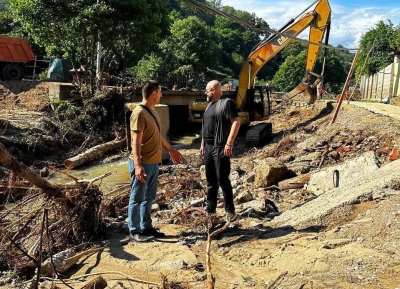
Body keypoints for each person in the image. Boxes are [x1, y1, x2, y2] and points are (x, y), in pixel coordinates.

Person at [127, 80, 182, 243]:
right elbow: (135, 141)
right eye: (160, 92)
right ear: (153, 94)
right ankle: (134, 230)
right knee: (136, 198)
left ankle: (146, 227)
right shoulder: (139, 113)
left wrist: (171, 149)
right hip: (142, 164)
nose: (161, 95)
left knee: (149, 197)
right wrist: (137, 165)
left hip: (153, 163)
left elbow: (157, 135)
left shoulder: (152, 111)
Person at [200, 80, 241, 221]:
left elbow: (236, 122)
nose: (205, 93)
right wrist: (202, 144)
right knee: (211, 180)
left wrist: (229, 144)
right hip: (208, 147)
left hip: (220, 147)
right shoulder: (208, 105)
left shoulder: (226, 103)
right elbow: (205, 127)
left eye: (207, 90)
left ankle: (230, 211)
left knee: (223, 179)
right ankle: (210, 208)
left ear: (214, 90)